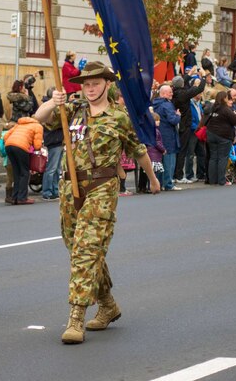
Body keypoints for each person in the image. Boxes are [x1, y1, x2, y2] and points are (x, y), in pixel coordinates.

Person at [34, 61, 160, 344]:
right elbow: (39, 117)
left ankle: (75, 316)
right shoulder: (73, 110)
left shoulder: (119, 117)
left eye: (95, 83)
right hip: (70, 187)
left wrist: (152, 179)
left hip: (102, 187)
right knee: (77, 246)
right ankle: (108, 304)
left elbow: (138, 150)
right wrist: (53, 102)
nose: (90, 88)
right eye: (86, 84)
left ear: (106, 84)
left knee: (86, 249)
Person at [172, 72, 206, 184]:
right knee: (183, 151)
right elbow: (200, 88)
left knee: (178, 151)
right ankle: (179, 175)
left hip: (177, 124)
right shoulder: (183, 94)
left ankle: (175, 174)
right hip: (184, 125)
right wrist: (204, 77)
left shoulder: (174, 93)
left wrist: (189, 74)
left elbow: (183, 83)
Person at [3, 115, 44, 205]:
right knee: (24, 172)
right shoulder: (38, 126)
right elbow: (37, 145)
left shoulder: (19, 124)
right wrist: (36, 149)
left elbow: (6, 136)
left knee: (16, 172)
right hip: (21, 147)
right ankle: (22, 198)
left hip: (9, 146)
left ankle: (14, 197)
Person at [205, 90, 236, 186]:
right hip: (223, 136)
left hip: (211, 134)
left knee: (213, 158)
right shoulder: (225, 109)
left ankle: (212, 180)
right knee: (222, 158)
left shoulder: (213, 108)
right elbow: (235, 120)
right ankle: (221, 180)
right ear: (224, 98)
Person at [152, 84, 181, 191]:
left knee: (159, 161)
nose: (172, 94)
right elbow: (173, 120)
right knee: (169, 161)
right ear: (164, 93)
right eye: (170, 92)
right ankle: (168, 184)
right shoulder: (167, 105)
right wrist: (178, 115)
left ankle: (159, 183)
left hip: (158, 135)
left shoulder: (154, 103)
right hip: (169, 136)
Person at [137, 112, 166, 193]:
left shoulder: (148, 130)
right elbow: (157, 143)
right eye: (157, 120)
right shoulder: (155, 131)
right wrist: (163, 149)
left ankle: (142, 187)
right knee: (151, 172)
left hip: (149, 153)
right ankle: (151, 186)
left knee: (145, 172)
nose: (159, 122)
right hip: (153, 154)